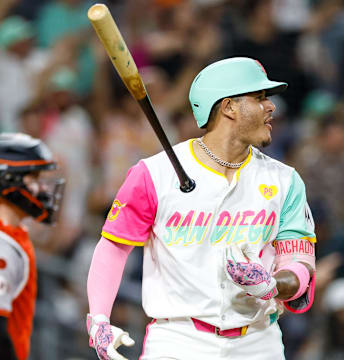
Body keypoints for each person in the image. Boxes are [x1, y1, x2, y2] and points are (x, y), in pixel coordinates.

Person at [86, 57, 316, 360]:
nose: (270, 107)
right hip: (177, 341)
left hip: (258, 342)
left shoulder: (285, 181)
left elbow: (301, 267)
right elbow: (114, 248)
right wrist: (99, 318)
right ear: (228, 107)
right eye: (259, 98)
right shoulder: (154, 174)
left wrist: (271, 284)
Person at [0, 133, 64, 360]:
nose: (43, 189)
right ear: (8, 179)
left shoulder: (13, 236)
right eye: (34, 178)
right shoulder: (3, 244)